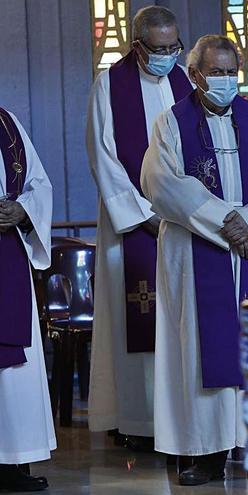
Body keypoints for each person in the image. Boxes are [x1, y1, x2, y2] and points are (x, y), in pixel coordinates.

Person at [140, 35, 248, 486]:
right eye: (217, 72)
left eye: (232, 71)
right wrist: (225, 221)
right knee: (196, 348)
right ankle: (203, 451)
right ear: (195, 75)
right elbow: (160, 181)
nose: (227, 81)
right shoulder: (171, 123)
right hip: (196, 251)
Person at [86, 5, 192, 452]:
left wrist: (184, 211)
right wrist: (144, 215)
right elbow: (103, 157)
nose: (169, 55)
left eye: (174, 47)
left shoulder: (187, 81)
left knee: (183, 322)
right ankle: (136, 420)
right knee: (133, 320)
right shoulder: (109, 86)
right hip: (133, 227)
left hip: (185, 226)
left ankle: (181, 418)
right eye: (159, 48)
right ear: (137, 44)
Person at [0, 107, 55, 492]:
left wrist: (23, 210)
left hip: (7, 258)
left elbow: (39, 184)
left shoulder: (6, 122)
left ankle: (11, 461)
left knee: (13, 373)